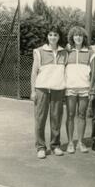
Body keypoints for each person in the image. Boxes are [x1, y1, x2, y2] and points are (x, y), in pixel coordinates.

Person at [31, 26, 68, 159]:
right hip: (42, 89)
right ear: (47, 36)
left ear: (59, 37)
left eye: (55, 35)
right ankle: (40, 147)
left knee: (56, 119)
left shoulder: (64, 52)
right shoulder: (39, 51)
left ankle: (55, 145)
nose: (53, 37)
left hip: (58, 90)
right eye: (50, 34)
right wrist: (33, 91)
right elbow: (34, 72)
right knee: (40, 119)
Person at [64, 26, 95, 154]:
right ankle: (71, 142)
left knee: (82, 115)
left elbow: (93, 73)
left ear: (84, 38)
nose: (78, 37)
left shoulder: (90, 52)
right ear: (72, 37)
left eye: (80, 35)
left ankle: (80, 142)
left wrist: (92, 89)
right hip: (70, 88)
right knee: (70, 115)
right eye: (76, 35)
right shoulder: (67, 51)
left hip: (84, 88)